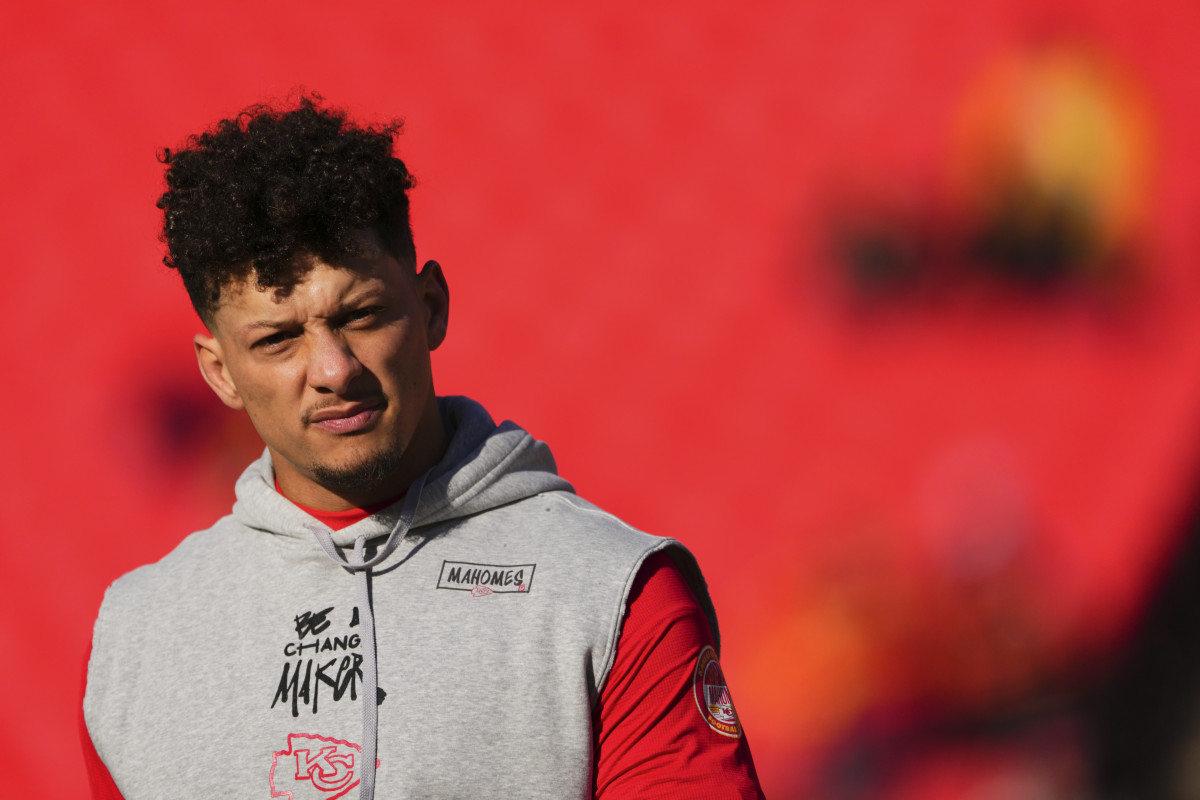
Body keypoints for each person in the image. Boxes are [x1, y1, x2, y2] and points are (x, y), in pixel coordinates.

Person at [82, 95, 764, 799]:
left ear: (431, 306)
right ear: (219, 370)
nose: (333, 369)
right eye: (278, 339)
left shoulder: (612, 592)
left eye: (364, 315)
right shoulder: (137, 636)